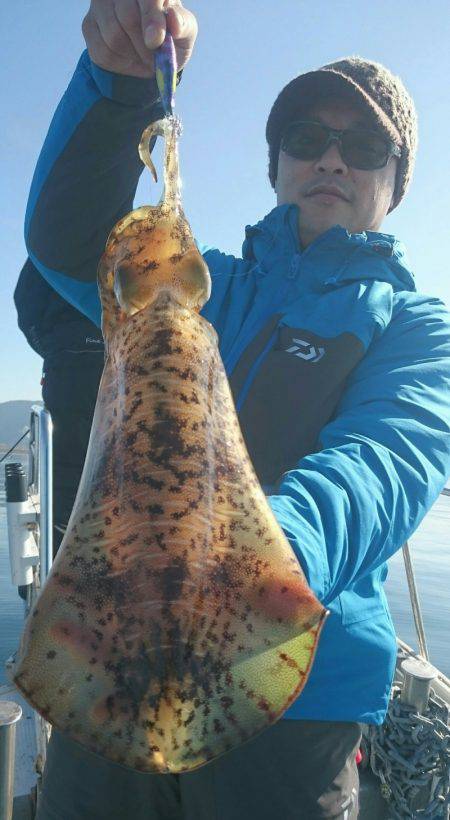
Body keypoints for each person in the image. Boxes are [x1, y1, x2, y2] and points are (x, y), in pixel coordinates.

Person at [21, 2, 450, 818]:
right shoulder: (193, 291)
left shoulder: (417, 326)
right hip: (118, 647)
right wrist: (117, 90)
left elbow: (388, 461)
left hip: (293, 685)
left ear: (396, 183)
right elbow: (70, 242)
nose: (330, 158)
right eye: (305, 139)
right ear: (277, 162)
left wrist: (256, 560)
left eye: (362, 148)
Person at [14, 259, 105, 556]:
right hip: (117, 357)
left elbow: (27, 305)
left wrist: (55, 348)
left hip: (67, 362)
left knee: (65, 466)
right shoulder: (127, 236)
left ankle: (63, 554)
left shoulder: (52, 236)